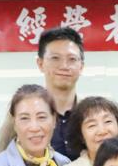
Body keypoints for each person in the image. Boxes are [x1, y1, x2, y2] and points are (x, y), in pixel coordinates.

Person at [36, 27, 84, 159]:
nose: (64, 66)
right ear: (40, 64)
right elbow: (6, 161)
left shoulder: (91, 114)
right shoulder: (23, 113)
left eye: (72, 59)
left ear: (81, 66)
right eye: (55, 58)